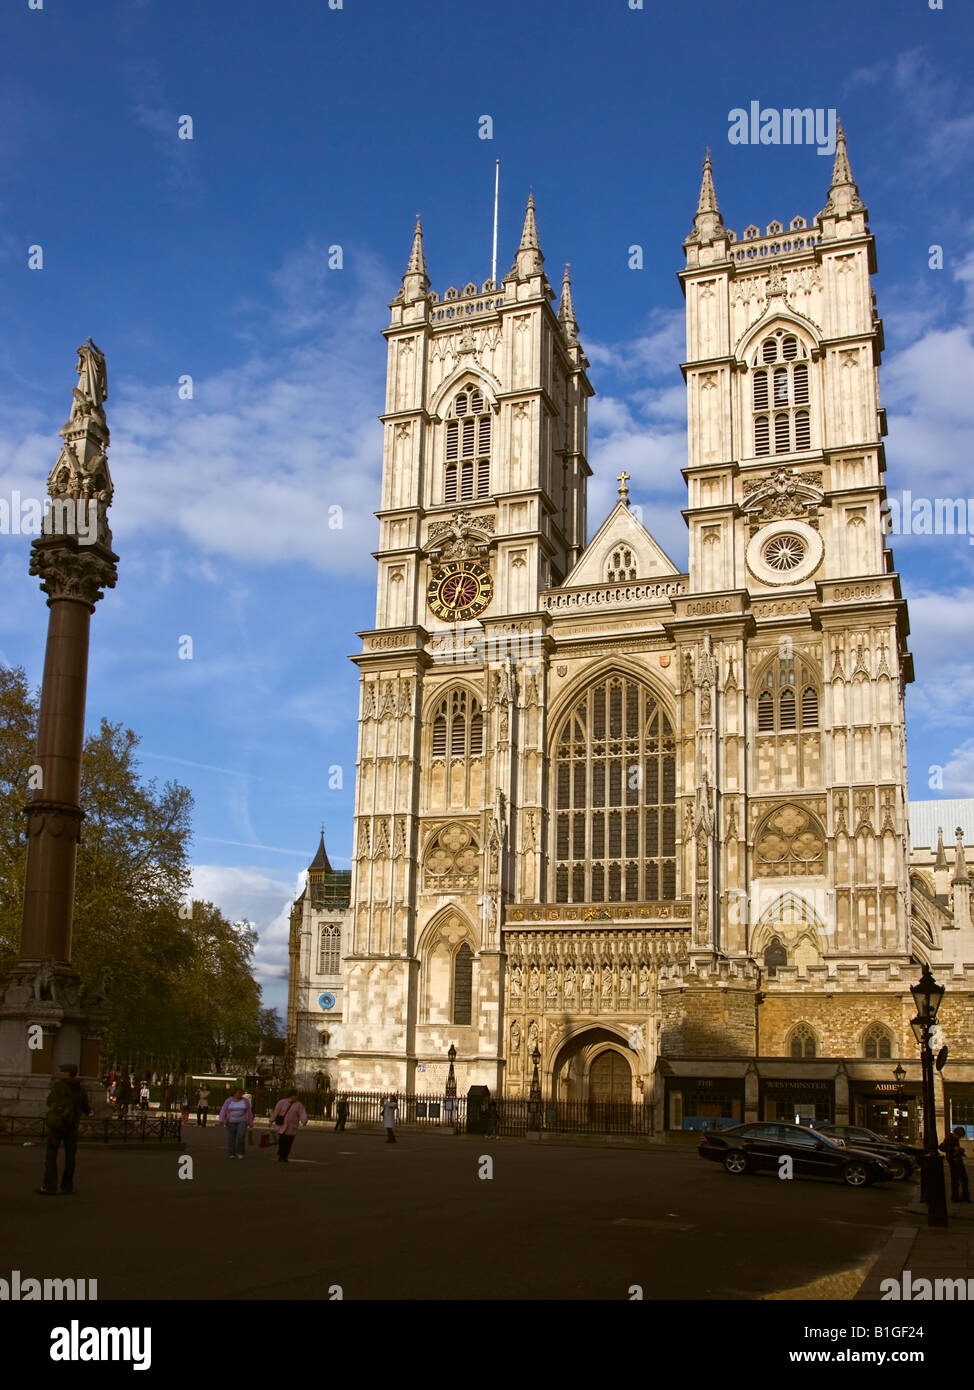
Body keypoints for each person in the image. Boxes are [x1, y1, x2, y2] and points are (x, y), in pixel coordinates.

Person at [38, 1063, 90, 1195]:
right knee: (70, 1157)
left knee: (51, 1155)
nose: (60, 1073)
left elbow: (49, 1101)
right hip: (72, 1126)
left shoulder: (59, 1086)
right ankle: (67, 1186)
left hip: (58, 1125)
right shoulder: (81, 1089)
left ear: (67, 1073)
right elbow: (86, 1109)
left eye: (62, 1071)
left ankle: (50, 1185)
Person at [271, 1089, 309, 1163]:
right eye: (294, 1095)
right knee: (282, 1141)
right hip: (282, 1125)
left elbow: (302, 1113)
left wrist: (304, 1121)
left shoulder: (299, 1105)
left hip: (292, 1126)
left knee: (289, 1142)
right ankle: (281, 1155)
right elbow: (276, 1112)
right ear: (290, 1095)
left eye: (296, 1096)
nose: (295, 1097)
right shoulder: (282, 1102)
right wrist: (271, 1120)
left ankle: (285, 1155)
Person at [218, 1088, 253, 1158]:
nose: (240, 1094)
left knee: (241, 1136)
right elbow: (223, 1110)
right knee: (231, 1138)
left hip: (242, 1121)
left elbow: (249, 1111)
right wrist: (221, 1119)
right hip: (231, 1121)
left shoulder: (245, 1101)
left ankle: (240, 1152)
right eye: (238, 1093)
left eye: (241, 1093)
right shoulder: (228, 1100)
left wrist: (250, 1122)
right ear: (234, 1093)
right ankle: (231, 1153)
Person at [940, 1126, 972, 1203]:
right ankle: (956, 1197)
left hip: (956, 1160)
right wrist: (953, 1149)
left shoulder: (954, 1138)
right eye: (960, 1136)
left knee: (962, 1179)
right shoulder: (949, 1138)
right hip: (953, 1161)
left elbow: (955, 1148)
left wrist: (960, 1151)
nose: (960, 1137)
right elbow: (942, 1147)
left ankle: (962, 1196)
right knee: (957, 1180)